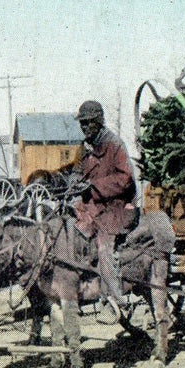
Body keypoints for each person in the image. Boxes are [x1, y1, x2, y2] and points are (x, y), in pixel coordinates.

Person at [72, 99, 138, 311]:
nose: (83, 127)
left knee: (103, 246)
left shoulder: (115, 144)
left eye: (88, 123)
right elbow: (77, 172)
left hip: (117, 207)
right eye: (81, 123)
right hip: (94, 206)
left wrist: (93, 186)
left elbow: (125, 178)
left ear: (98, 122)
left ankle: (115, 297)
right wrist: (73, 183)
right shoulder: (86, 148)